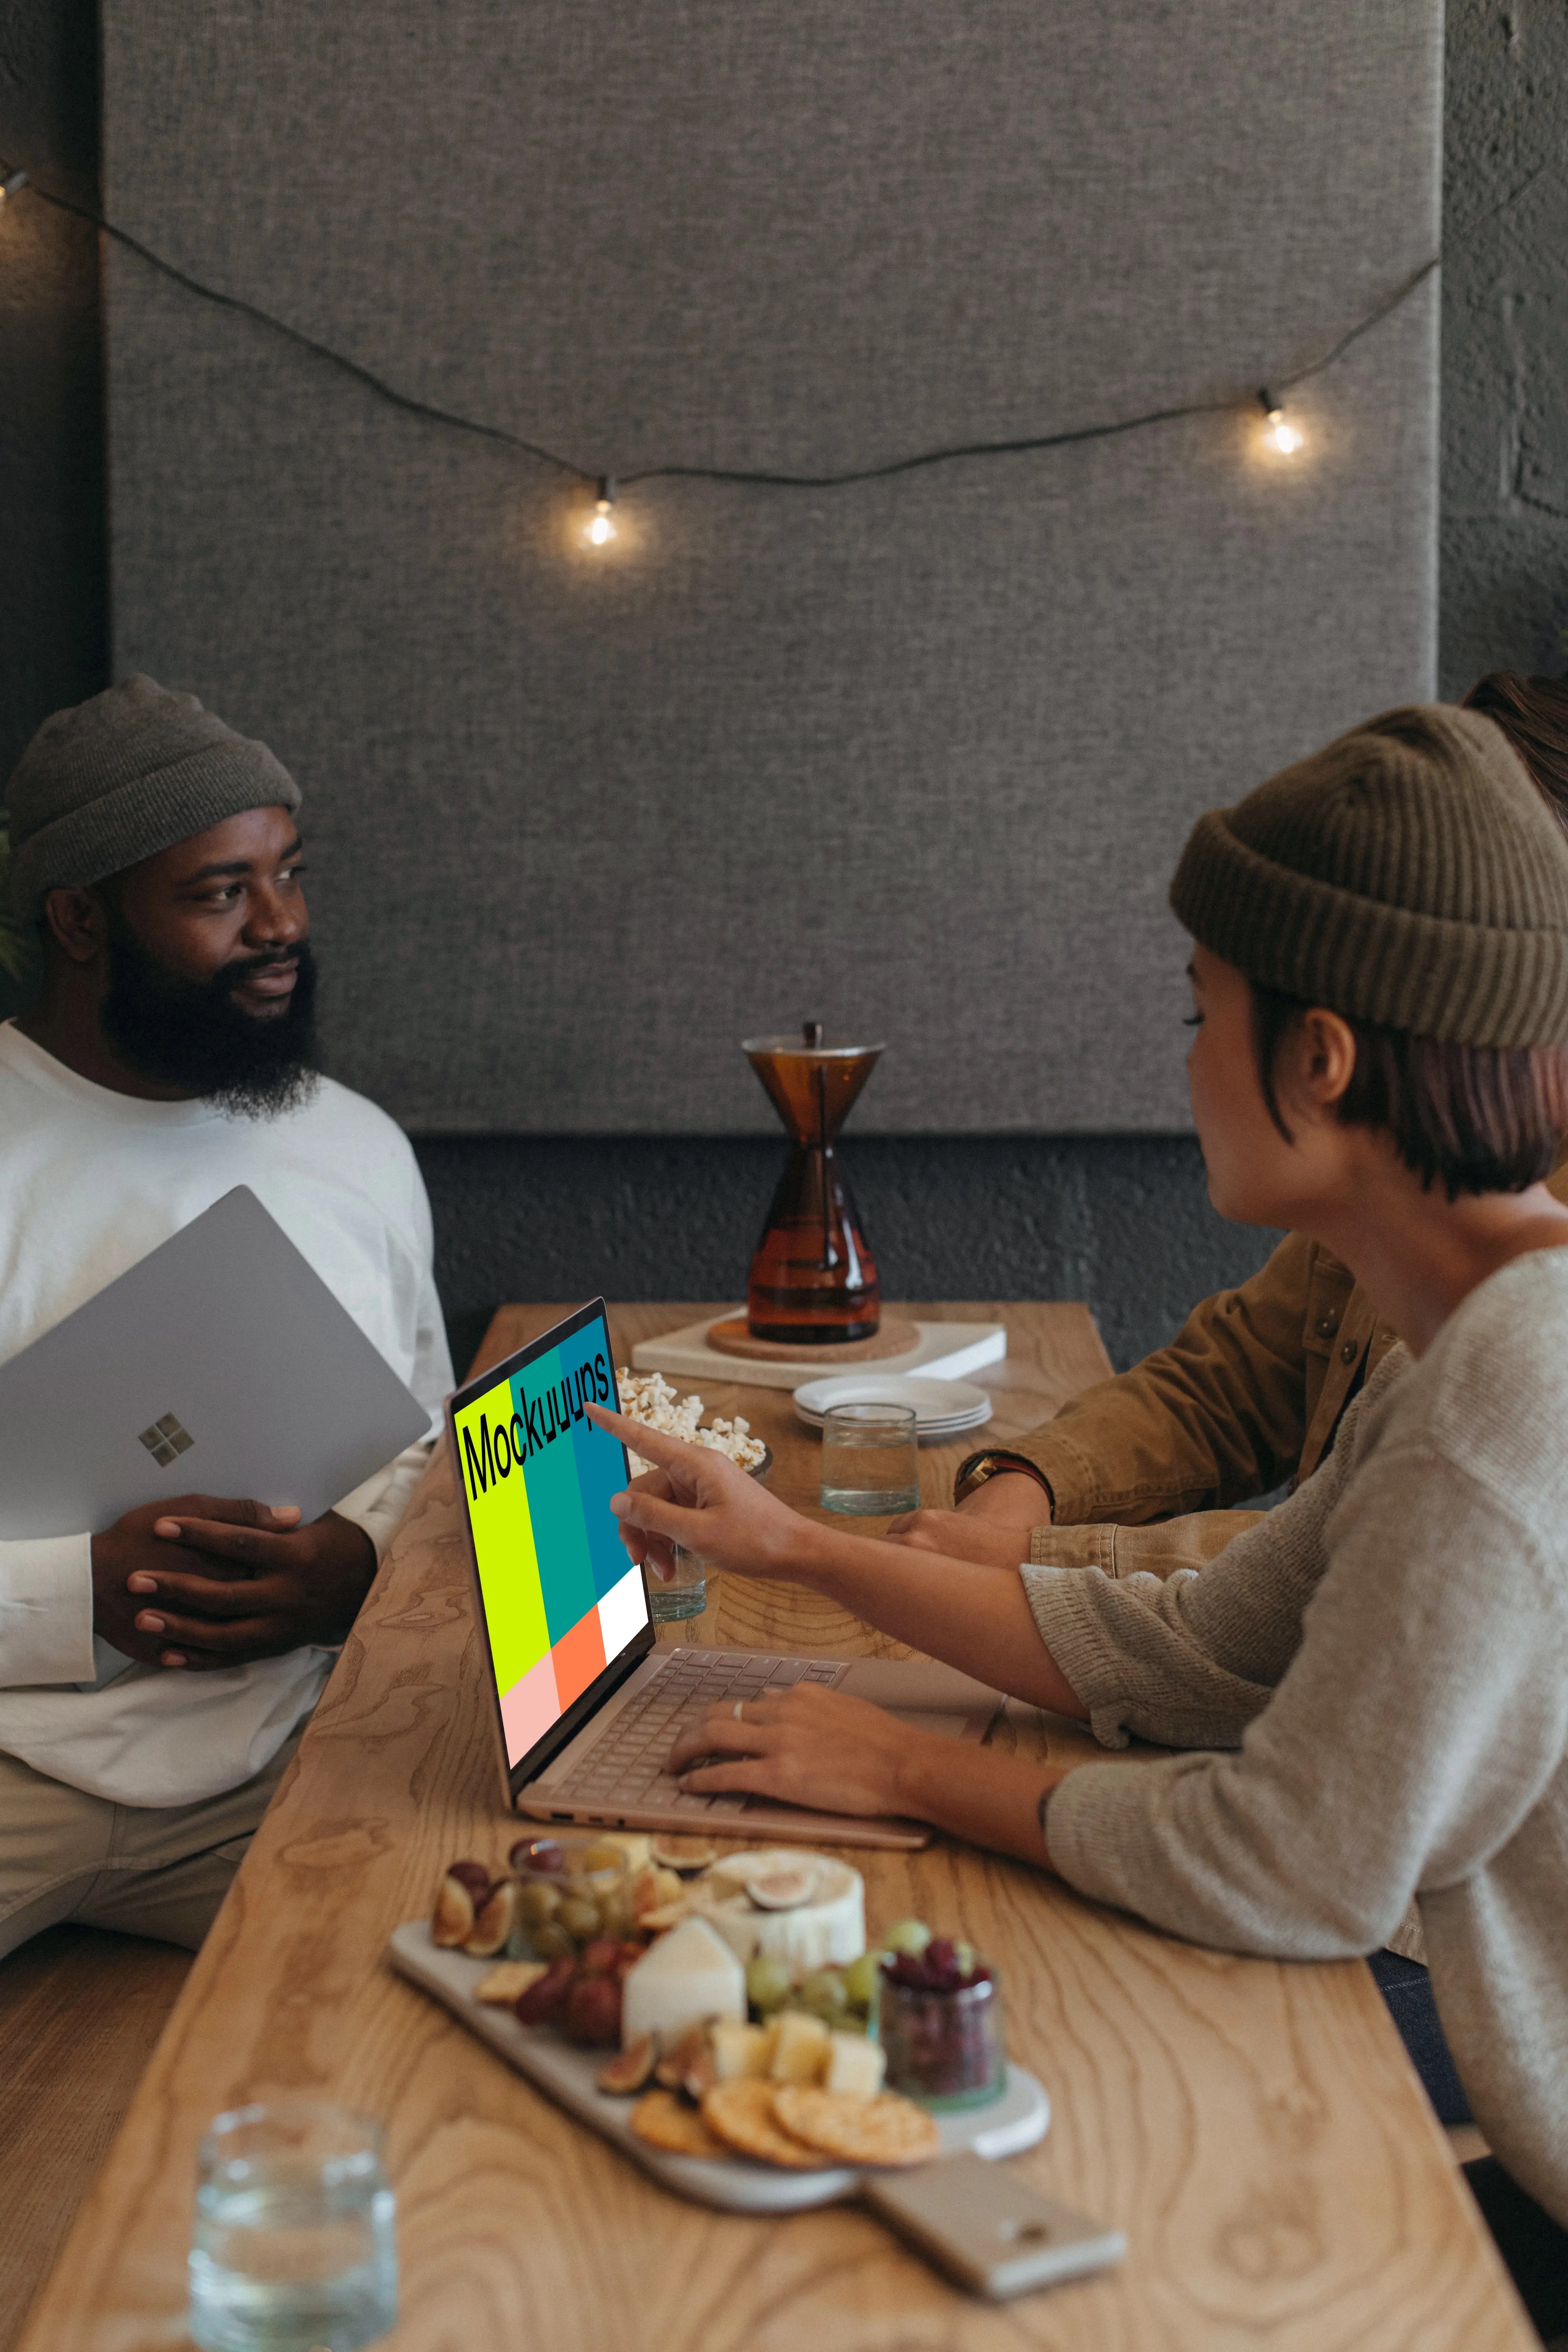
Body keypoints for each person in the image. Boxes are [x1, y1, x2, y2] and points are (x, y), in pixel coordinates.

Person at [590, 706, 1568, 2336]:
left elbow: (1290, 1868)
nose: (1181, 1059)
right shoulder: (1459, 1350)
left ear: (1317, 1057)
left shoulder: (1501, 1405)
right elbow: (1204, 1647)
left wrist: (906, 1769)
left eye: (1200, 1013)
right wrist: (796, 1544)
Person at [0, 675, 453, 1961]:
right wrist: (71, 1595)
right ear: (80, 918)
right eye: (221, 893)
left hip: (284, 1762)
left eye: (291, 874)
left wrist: (352, 1572)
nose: (283, 926)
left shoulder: (351, 1144)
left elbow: (420, 1446)